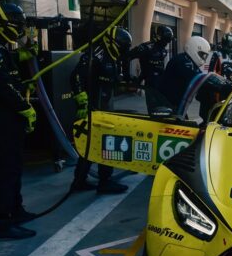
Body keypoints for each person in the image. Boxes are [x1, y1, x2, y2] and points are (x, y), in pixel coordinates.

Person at [0, 0, 38, 240]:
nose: (19, 28)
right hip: (0, 115)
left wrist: (24, 66)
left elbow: (10, 74)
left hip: (8, 114)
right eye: (16, 23)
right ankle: (3, 223)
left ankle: (16, 209)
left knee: (14, 165)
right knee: (7, 168)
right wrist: (24, 107)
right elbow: (0, 83)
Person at [70, 26, 132, 194]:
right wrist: (82, 101)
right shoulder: (95, 55)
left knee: (93, 145)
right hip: (93, 108)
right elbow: (76, 76)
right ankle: (104, 182)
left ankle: (79, 181)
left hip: (104, 106)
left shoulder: (112, 57)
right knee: (104, 144)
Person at [127, 25, 174, 113]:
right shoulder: (146, 47)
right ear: (159, 37)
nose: (166, 43)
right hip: (150, 84)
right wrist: (128, 76)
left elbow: (160, 67)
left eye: (168, 41)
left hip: (161, 84)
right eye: (165, 40)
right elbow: (128, 57)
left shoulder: (163, 50)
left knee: (165, 108)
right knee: (154, 109)